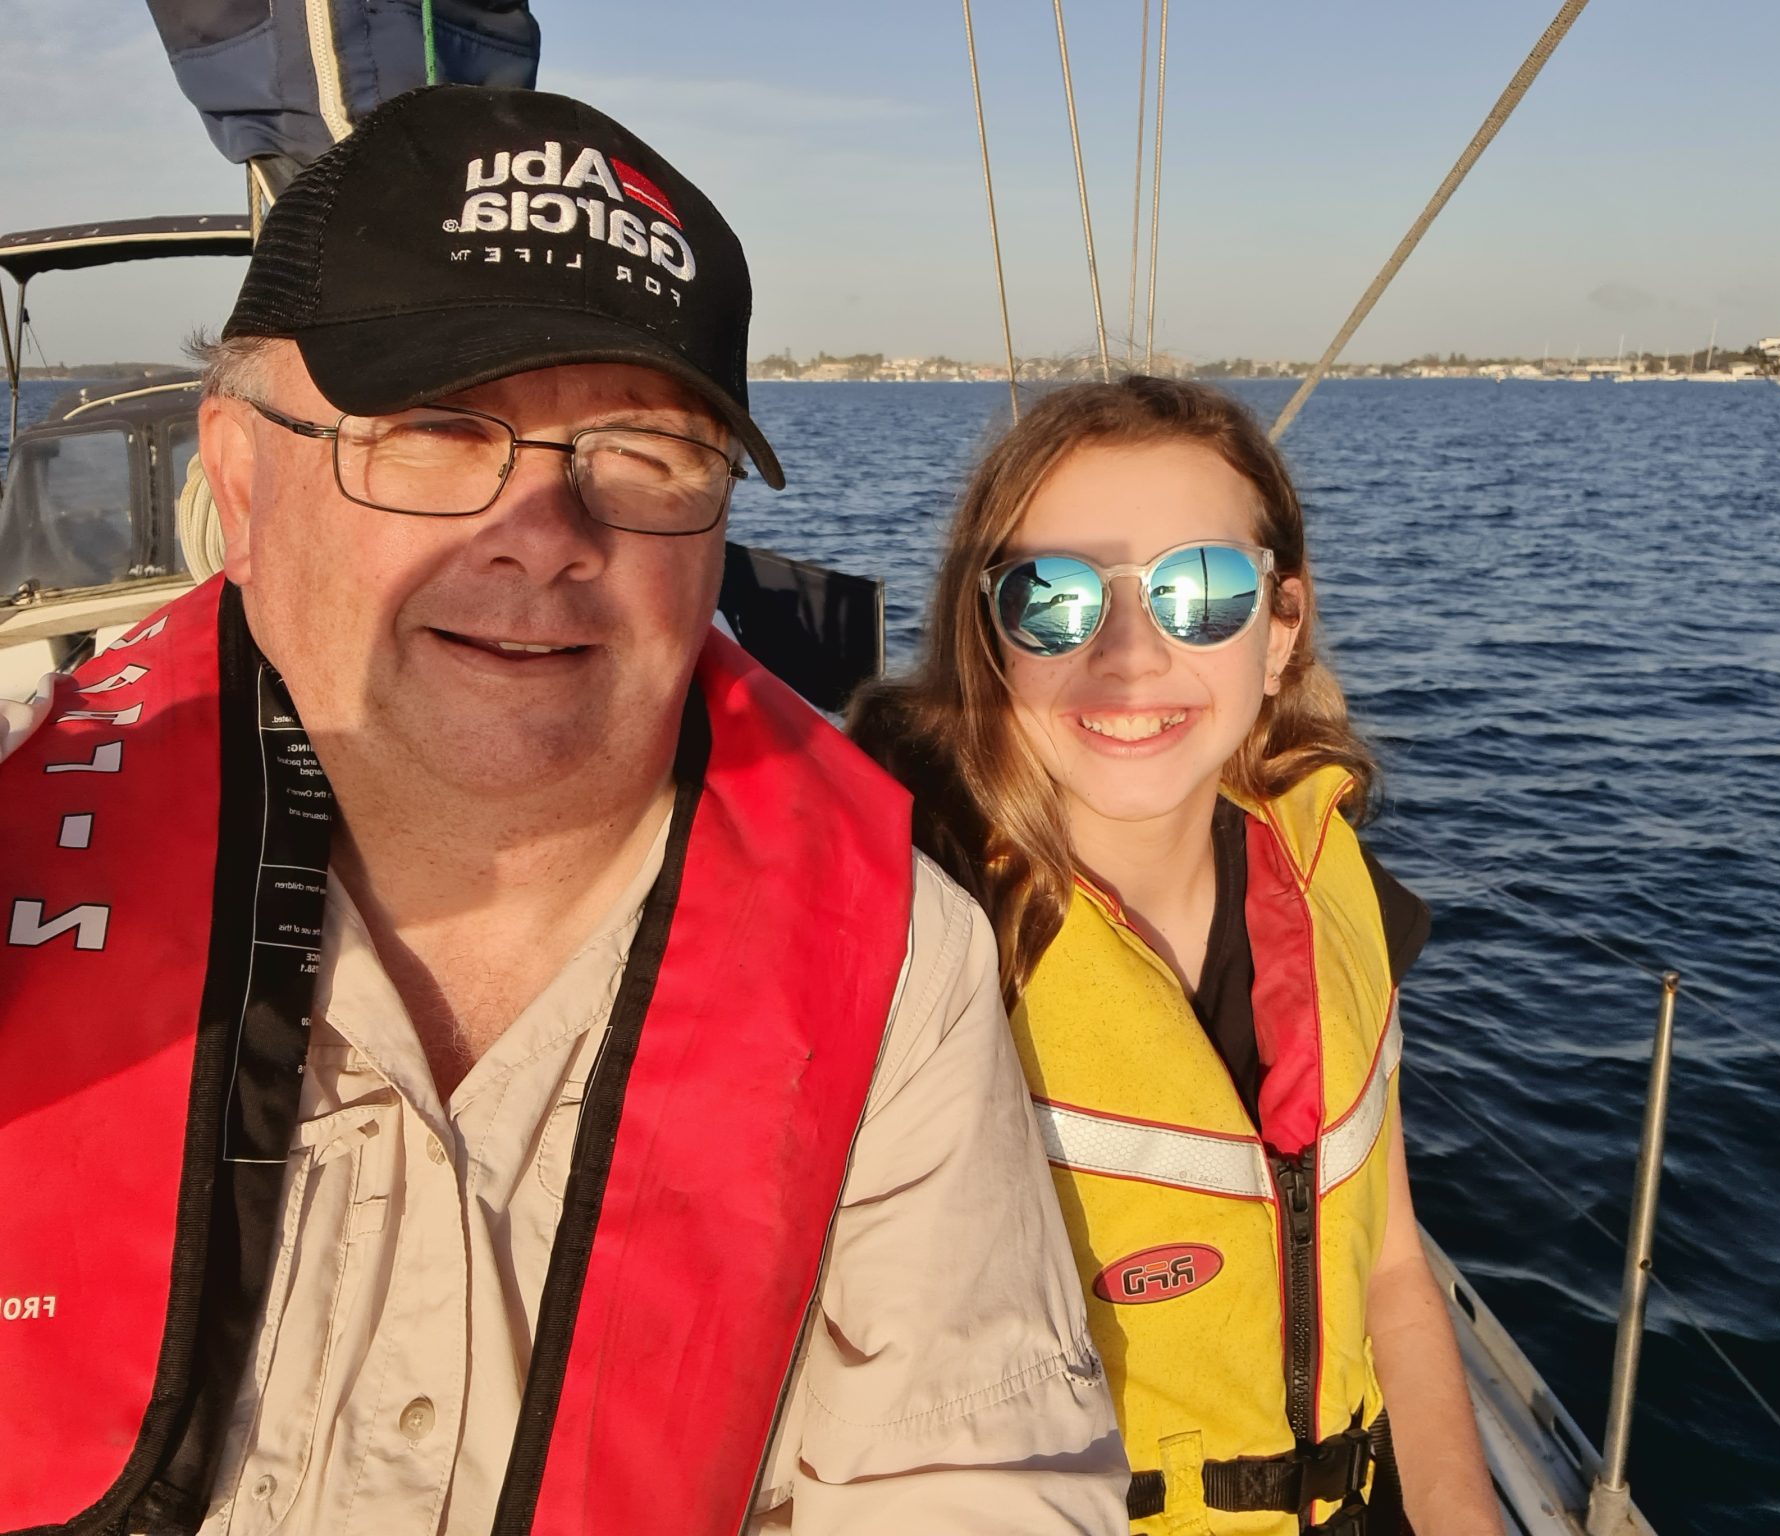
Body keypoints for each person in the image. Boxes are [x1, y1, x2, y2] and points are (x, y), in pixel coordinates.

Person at [0, 86, 1126, 1535]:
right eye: (429, 432)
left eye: (645, 454)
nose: (541, 536)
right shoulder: (17, 836)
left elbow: (976, 1483)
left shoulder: (896, 955)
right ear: (239, 472)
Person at [850, 376, 1503, 1536]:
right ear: (986, 636)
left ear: (1280, 629)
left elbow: (1393, 1272)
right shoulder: (904, 947)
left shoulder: (1332, 886)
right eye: (1051, 599)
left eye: (1200, 592)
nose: (1130, 655)